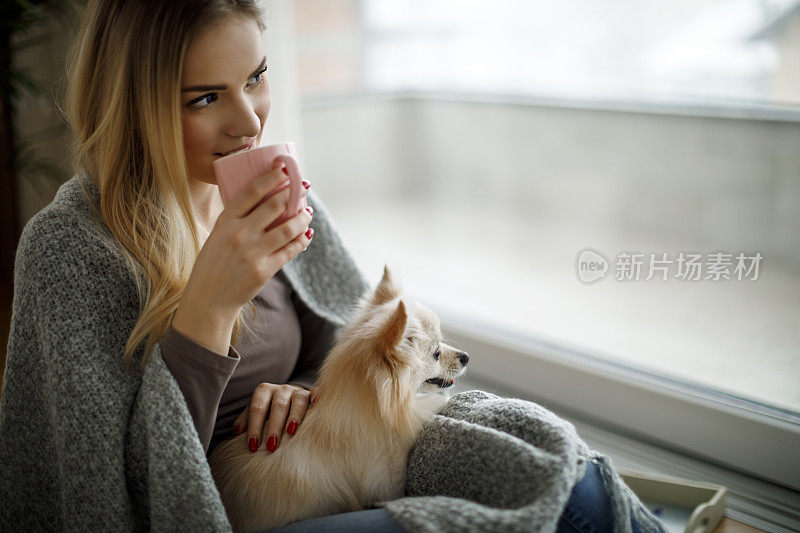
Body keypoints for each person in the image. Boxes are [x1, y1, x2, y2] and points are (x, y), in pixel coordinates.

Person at [0, 1, 663, 531]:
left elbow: (348, 346)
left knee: (562, 471)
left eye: (255, 78)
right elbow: (113, 496)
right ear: (134, 107)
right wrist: (208, 310)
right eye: (204, 99)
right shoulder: (71, 250)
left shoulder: (273, 191)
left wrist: (307, 389)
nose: (247, 123)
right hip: (240, 507)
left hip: (325, 462)